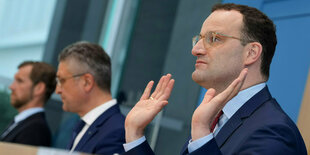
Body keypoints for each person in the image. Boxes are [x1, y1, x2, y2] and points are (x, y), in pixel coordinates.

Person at [123, 3, 307, 155]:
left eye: (214, 39)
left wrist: (202, 134)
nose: (196, 50)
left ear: (251, 53)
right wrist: (135, 134)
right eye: (200, 39)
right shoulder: (215, 118)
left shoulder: (273, 132)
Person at [55, 41, 125, 154]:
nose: (57, 90)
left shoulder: (116, 132)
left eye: (61, 80)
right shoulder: (84, 125)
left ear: (87, 82)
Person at [0, 61, 56, 146]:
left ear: (39, 88)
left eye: (20, 81)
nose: (11, 87)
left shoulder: (35, 130)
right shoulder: (22, 123)